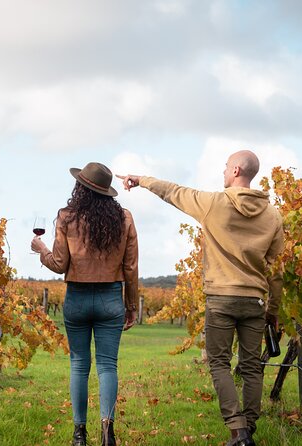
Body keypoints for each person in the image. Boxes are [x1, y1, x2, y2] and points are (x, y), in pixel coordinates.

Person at [117, 150, 283, 446]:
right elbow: (276, 270)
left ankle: (238, 430)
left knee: (219, 363)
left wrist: (141, 180)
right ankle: (250, 427)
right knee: (251, 366)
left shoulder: (214, 204)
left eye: (224, 167)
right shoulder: (272, 215)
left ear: (234, 171)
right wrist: (273, 311)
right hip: (255, 301)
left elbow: (173, 192)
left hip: (220, 299)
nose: (222, 173)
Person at [31, 162, 139, 446]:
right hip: (110, 299)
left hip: (77, 298)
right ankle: (107, 432)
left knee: (79, 365)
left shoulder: (66, 217)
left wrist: (41, 250)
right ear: (107, 192)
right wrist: (131, 306)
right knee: (107, 366)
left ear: (80, 187)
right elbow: (131, 267)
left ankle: (79, 435)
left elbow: (58, 264)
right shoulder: (124, 218)